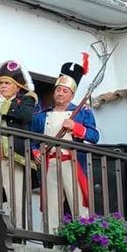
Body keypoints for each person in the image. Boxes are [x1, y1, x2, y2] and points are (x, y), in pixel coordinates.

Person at [32, 54, 100, 232]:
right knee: (51, 204)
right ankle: (50, 240)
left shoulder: (82, 113)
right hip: (50, 163)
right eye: (58, 90)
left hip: (71, 161)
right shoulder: (41, 116)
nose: (60, 93)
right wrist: (35, 152)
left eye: (65, 91)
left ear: (72, 95)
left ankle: (85, 238)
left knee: (78, 201)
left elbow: (94, 136)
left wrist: (75, 127)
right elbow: (33, 140)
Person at [0, 60, 37, 227]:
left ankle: (19, 234)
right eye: (1, 83)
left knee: (16, 199)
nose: (2, 86)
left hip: (14, 158)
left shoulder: (26, 100)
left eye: (7, 83)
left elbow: (25, 116)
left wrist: (3, 102)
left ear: (17, 87)